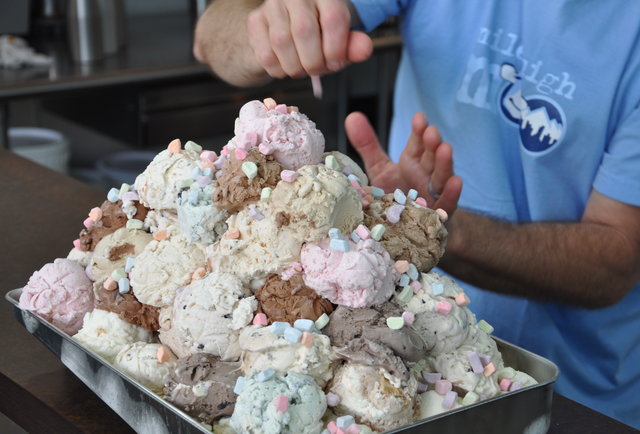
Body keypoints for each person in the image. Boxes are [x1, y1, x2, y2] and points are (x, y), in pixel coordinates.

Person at [194, 0, 640, 428]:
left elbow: (614, 261)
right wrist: (269, 30)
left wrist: (427, 231)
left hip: (576, 397)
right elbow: (211, 40)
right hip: (383, 359)